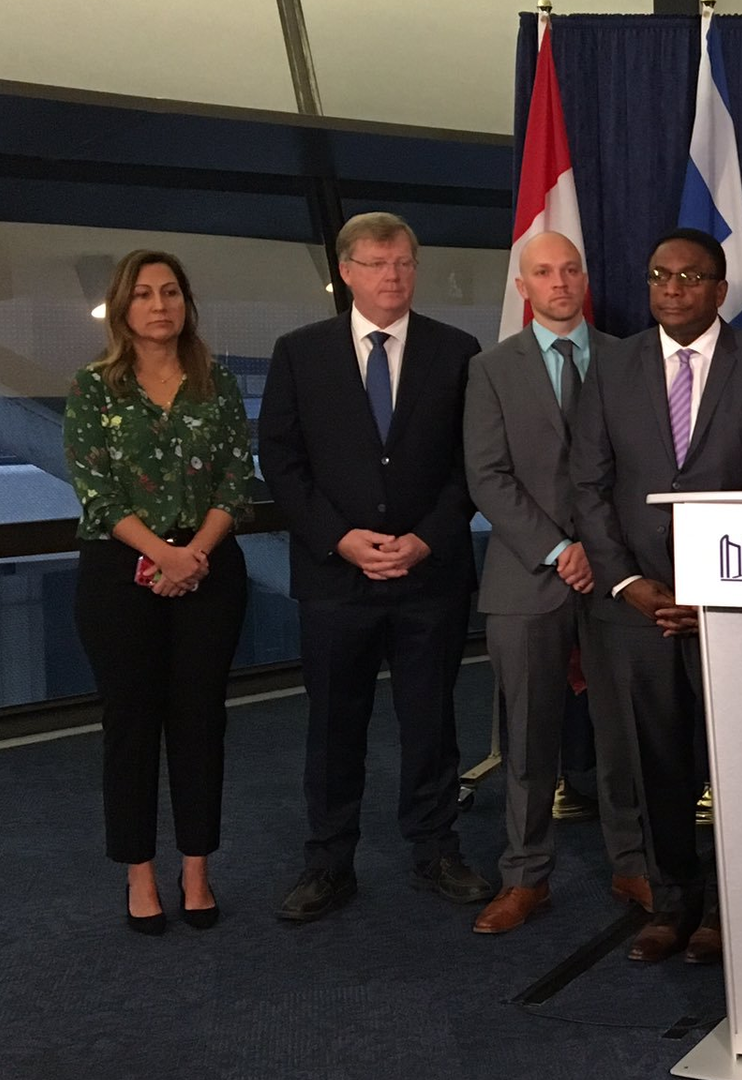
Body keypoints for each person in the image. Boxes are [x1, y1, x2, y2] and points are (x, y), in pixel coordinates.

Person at [258, 212, 490, 922]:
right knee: (334, 724)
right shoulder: (300, 353)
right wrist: (340, 539)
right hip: (336, 578)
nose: (393, 276)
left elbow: (470, 464)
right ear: (346, 273)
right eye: (377, 264)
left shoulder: (458, 352)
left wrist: (426, 538)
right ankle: (329, 861)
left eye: (404, 264)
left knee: (431, 721)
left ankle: (435, 849)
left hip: (429, 575)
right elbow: (283, 463)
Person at [571, 228, 742, 965]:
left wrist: (719, 583)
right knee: (656, 760)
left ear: (720, 290)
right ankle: (671, 899)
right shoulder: (611, 366)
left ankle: (732, 906)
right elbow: (588, 485)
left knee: (739, 762)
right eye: (660, 274)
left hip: (732, 600)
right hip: (640, 604)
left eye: (690, 277)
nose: (672, 288)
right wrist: (629, 583)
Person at [63, 250, 253, 935]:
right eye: (143, 294)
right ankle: (139, 875)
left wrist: (193, 554)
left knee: (201, 722)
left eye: (170, 291)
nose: (159, 304)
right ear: (123, 308)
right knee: (132, 726)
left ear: (185, 303)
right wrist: (163, 555)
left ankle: (196, 870)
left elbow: (237, 480)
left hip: (208, 572)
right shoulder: (92, 389)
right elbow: (95, 490)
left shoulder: (217, 384)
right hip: (119, 577)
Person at [464, 232, 650, 934]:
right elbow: (486, 476)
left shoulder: (629, 358)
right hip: (526, 576)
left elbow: (641, 467)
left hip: (616, 577)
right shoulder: (490, 369)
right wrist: (557, 547)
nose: (560, 282)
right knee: (528, 735)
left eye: (571, 268)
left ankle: (633, 863)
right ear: (524, 286)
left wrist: (596, 553)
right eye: (544, 272)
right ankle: (525, 877)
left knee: (621, 731)